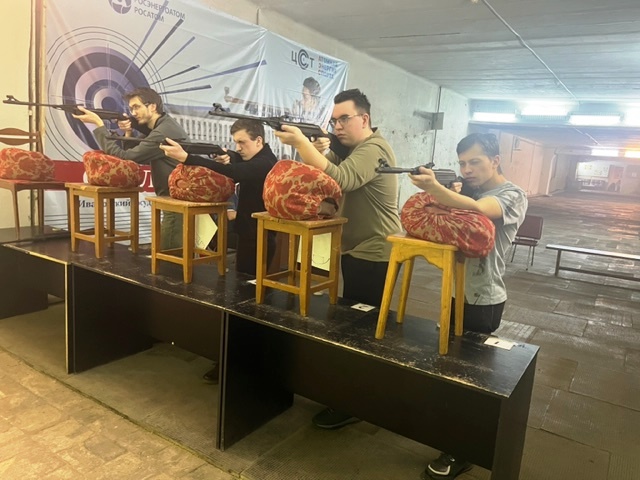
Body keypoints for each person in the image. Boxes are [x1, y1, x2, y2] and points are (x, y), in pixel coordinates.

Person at [274, 88, 402, 429]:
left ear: (365, 119)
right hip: (357, 249)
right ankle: (355, 396)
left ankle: (357, 404)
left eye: (344, 119)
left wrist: (302, 144)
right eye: (334, 121)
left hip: (375, 251)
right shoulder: (354, 150)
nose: (338, 126)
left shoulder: (373, 148)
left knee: (362, 332)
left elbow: (341, 178)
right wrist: (319, 148)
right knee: (355, 327)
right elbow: (323, 175)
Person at [408, 133, 528, 479]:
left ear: (495, 160)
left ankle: (462, 451)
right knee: (450, 369)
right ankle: (452, 435)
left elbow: (479, 210)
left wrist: (437, 190)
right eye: (462, 163)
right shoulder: (467, 191)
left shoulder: (512, 195)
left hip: (484, 299)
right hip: (456, 292)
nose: (467, 169)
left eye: (475, 161)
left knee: (471, 379)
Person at [73, 87, 187, 249]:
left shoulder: (162, 131)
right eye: (131, 108)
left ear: (152, 106)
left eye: (136, 107)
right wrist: (128, 132)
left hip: (175, 199)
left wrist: (98, 125)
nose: (133, 113)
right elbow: (132, 153)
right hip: (173, 195)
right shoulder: (160, 126)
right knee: (169, 250)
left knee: (169, 255)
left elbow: (125, 158)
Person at [161, 118, 277, 276]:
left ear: (258, 140)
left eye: (242, 142)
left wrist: (187, 158)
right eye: (236, 142)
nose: (238, 147)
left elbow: (234, 172)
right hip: (250, 232)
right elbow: (238, 161)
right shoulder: (260, 158)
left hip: (259, 236)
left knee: (249, 283)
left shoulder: (266, 163)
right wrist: (227, 156)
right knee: (243, 281)